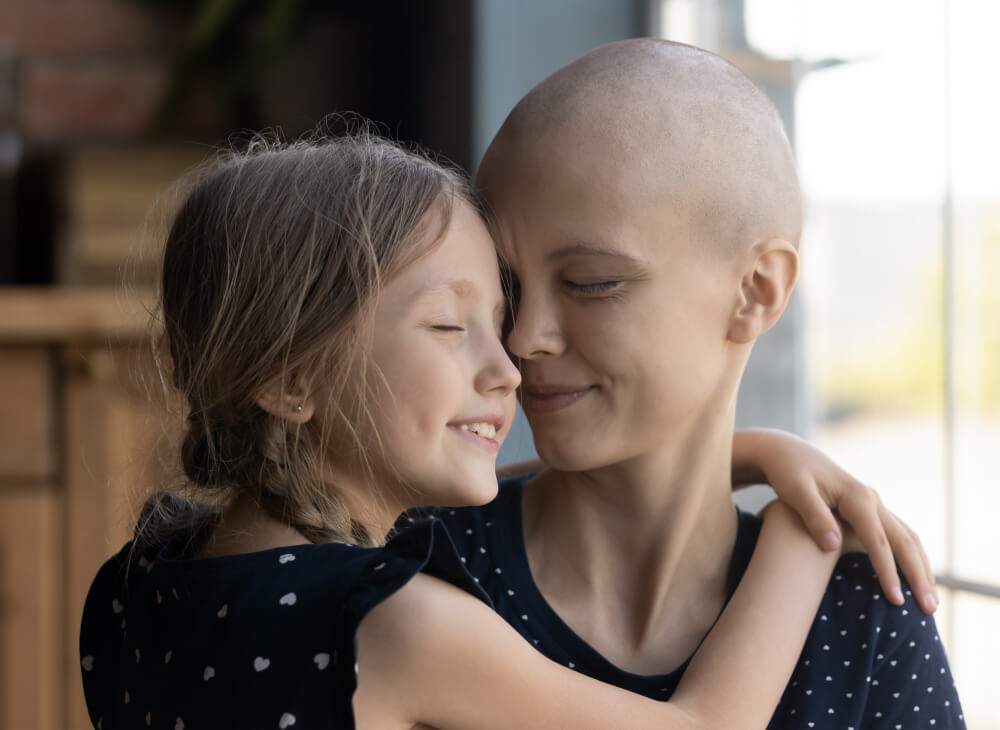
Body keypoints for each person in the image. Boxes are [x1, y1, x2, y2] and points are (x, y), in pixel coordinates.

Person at [80, 131, 920, 730]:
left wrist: (755, 454)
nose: (511, 364)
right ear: (293, 380)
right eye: (452, 328)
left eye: (501, 315)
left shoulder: (141, 579)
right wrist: (801, 531)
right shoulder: (397, 626)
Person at [440, 38, 966, 728]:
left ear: (755, 291)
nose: (521, 336)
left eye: (591, 282)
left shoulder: (863, 610)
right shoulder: (416, 562)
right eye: (507, 285)